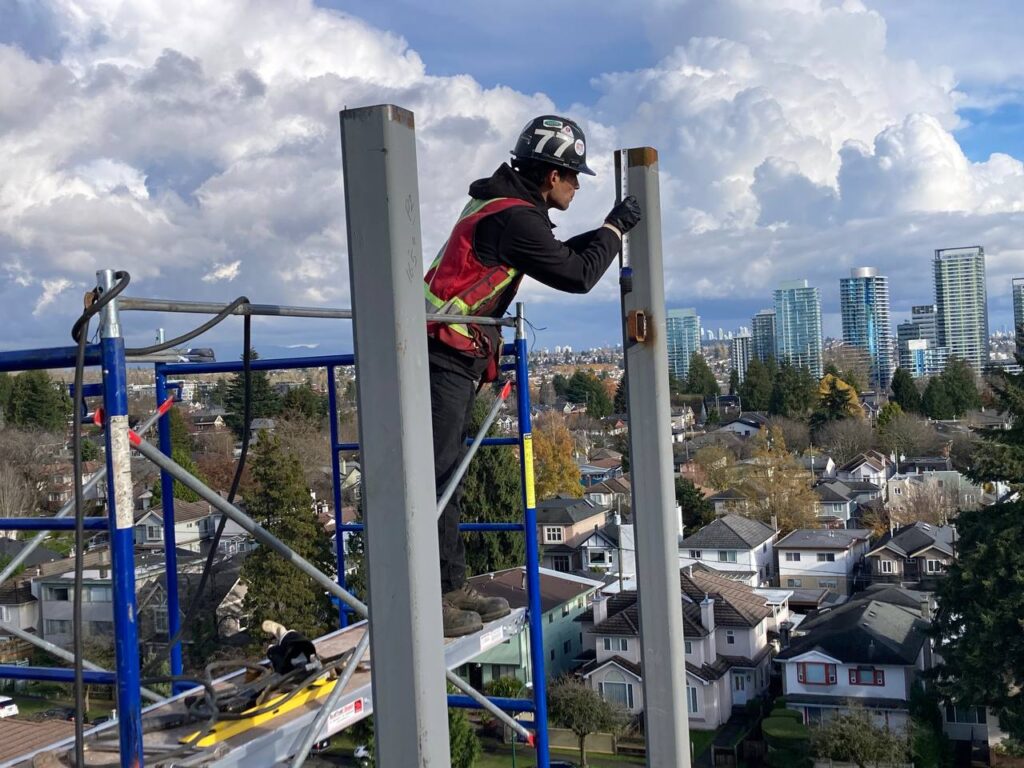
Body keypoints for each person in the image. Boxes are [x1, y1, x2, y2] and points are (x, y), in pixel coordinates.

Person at [424, 115, 642, 637]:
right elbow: (576, 273)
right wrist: (613, 230)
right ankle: (434, 599)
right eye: (574, 177)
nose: (576, 186)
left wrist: (608, 231)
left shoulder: (504, 208)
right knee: (436, 479)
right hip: (440, 354)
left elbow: (560, 254)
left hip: (445, 351)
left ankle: (447, 588)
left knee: (444, 476)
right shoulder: (516, 219)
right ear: (552, 176)